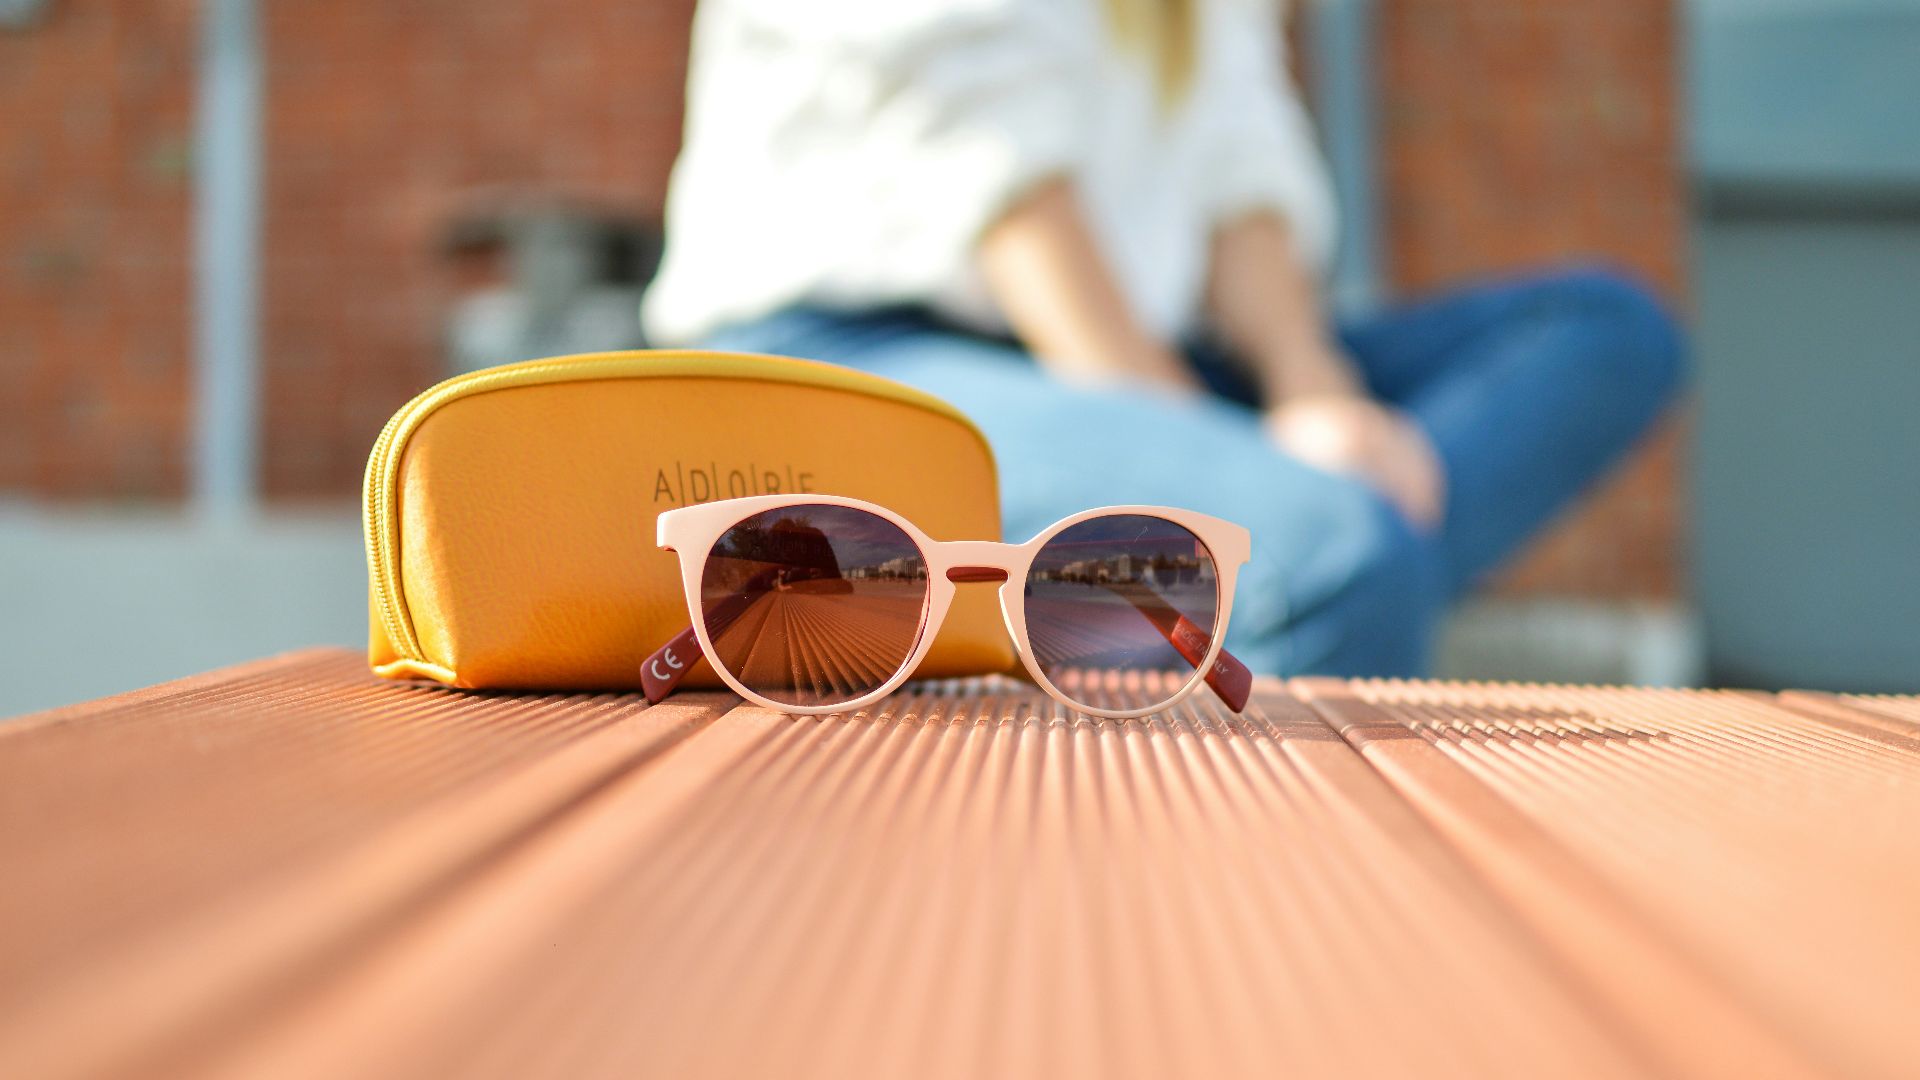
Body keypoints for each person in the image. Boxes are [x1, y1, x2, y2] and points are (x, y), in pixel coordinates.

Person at [641, 0, 1684, 677]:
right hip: (861, 359)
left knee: (1605, 332)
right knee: (1345, 560)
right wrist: (1229, 471)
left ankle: (1122, 617)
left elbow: (1241, 161)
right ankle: (1241, 607)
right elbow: (1004, 190)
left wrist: (1312, 393)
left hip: (1162, 351)